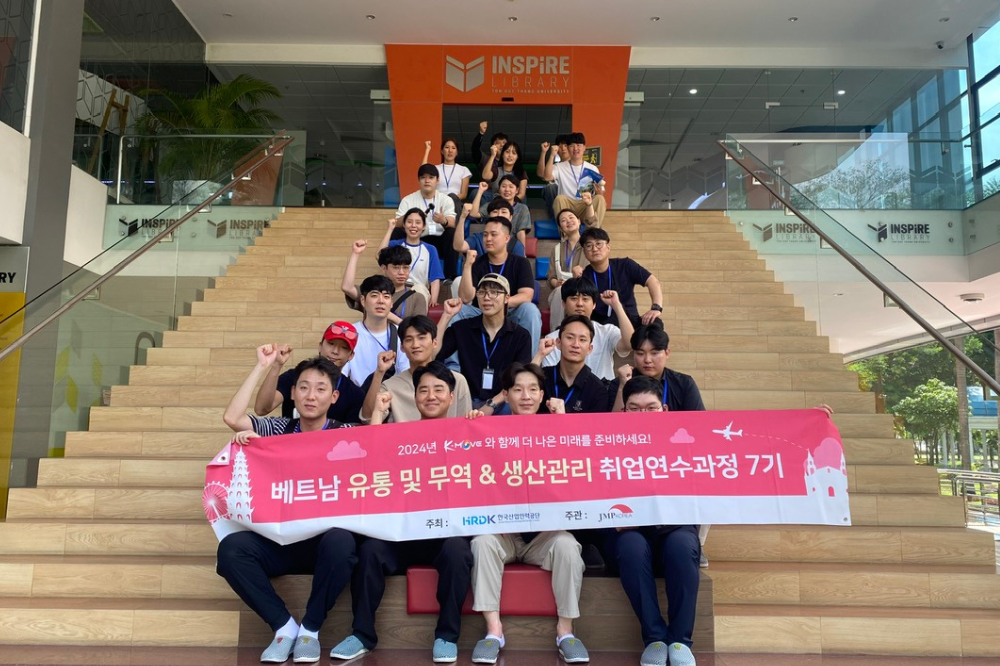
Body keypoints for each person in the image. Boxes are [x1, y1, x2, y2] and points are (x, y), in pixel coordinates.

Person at [220, 348, 357, 664]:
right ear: (292, 393)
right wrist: (264, 366)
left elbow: (381, 446)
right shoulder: (277, 429)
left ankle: (310, 629)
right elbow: (232, 417)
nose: (311, 395)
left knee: (342, 541)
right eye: (304, 387)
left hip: (322, 542)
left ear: (334, 397)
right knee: (231, 549)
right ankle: (283, 627)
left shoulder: (346, 434)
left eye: (321, 389)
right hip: (278, 538)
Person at [331, 362, 474, 664]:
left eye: (439, 390)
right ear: (415, 397)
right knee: (369, 550)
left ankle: (446, 636)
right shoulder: (400, 435)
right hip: (402, 534)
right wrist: (379, 415)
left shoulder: (466, 437)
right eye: (423, 390)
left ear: (451, 397)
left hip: (443, 534)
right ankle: (361, 635)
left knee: (458, 551)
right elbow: (367, 461)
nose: (431, 396)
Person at [464, 363, 590, 665]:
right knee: (481, 542)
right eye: (518, 389)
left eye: (533, 389)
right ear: (506, 395)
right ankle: (494, 631)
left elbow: (582, 468)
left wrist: (564, 423)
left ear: (543, 395)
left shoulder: (555, 431)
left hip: (542, 536)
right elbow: (464, 464)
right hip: (504, 534)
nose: (526, 395)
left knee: (568, 546)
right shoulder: (488, 432)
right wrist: (468, 426)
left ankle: (566, 632)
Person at [604, 373, 702, 666]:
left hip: (673, 530)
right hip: (630, 534)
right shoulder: (608, 448)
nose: (642, 415)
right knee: (631, 547)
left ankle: (681, 641)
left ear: (665, 410)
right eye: (634, 408)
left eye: (651, 408)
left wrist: (809, 424)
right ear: (623, 412)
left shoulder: (684, 444)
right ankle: (655, 638)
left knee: (683, 546)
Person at [436, 275, 531, 406]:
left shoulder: (520, 335)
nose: (486, 297)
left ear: (507, 298)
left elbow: (520, 379)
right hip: (468, 400)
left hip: (504, 402)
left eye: (494, 292)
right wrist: (446, 316)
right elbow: (433, 354)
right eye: (482, 292)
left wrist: (491, 405)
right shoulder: (462, 328)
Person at [359, 314, 473, 424]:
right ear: (402, 347)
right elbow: (367, 419)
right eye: (409, 339)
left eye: (421, 338)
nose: (416, 345)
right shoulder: (390, 386)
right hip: (405, 443)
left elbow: (466, 423)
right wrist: (379, 372)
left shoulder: (457, 380)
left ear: (434, 342)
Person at [252, 322, 367, 425]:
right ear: (320, 346)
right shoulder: (295, 376)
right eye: (331, 344)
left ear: (351, 356)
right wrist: (276, 365)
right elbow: (261, 409)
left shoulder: (355, 394)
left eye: (343, 348)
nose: (335, 351)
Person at [455, 217, 542, 352]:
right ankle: (453, 367)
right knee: (457, 311)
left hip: (510, 312)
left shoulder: (520, 263)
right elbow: (466, 298)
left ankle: (528, 366)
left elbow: (526, 296)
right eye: (485, 235)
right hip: (482, 311)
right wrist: (467, 266)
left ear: (507, 238)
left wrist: (499, 303)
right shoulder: (477, 263)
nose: (488, 238)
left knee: (530, 310)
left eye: (494, 234)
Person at [539, 278, 633, 382]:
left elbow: (630, 344)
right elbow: (550, 379)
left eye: (585, 299)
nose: (580, 304)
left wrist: (617, 306)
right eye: (574, 298)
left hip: (603, 394)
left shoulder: (607, 332)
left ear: (594, 304)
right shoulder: (552, 339)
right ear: (564, 303)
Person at [608, 320, 705, 414]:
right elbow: (611, 426)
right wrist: (622, 386)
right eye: (640, 353)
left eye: (654, 353)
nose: (647, 360)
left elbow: (698, 422)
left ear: (667, 353)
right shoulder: (619, 383)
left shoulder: (684, 384)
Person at [580, 227, 663, 330]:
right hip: (600, 327)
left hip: (630, 321)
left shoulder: (625, 265)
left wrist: (656, 308)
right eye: (589, 245)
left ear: (608, 247)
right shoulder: (583, 276)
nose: (594, 249)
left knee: (655, 323)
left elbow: (653, 282)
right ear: (584, 252)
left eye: (598, 244)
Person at [532, 315, 609, 414]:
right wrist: (539, 355)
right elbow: (523, 388)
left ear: (590, 349)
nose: (575, 344)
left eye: (582, 340)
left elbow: (595, 428)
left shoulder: (597, 390)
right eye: (570, 337)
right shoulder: (543, 377)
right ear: (558, 342)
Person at [341, 275, 410, 386]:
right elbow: (341, 374)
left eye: (386, 296)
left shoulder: (400, 334)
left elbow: (406, 372)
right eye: (374, 295)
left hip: (392, 396)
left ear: (391, 302)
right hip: (359, 397)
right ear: (363, 300)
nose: (381, 301)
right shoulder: (350, 333)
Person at [395, 163, 459, 277]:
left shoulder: (446, 200)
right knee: (396, 232)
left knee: (452, 233)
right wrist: (412, 216)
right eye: (423, 177)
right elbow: (397, 223)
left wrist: (443, 220)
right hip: (416, 239)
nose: (427, 181)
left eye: (431, 177)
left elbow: (453, 222)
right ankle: (395, 271)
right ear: (419, 180)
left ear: (437, 180)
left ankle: (450, 277)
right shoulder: (408, 200)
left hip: (439, 240)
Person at [342, 240, 429, 322]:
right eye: (396, 267)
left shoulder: (417, 297)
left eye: (405, 268)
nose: (402, 272)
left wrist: (395, 320)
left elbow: (418, 329)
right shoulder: (372, 291)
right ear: (384, 268)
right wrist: (355, 253)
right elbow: (347, 287)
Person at [379, 208, 443, 306]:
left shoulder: (430, 249)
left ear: (423, 226)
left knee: (419, 291)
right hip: (396, 288)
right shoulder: (395, 245)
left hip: (419, 290)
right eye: (409, 222)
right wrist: (390, 229)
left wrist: (433, 299)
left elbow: (435, 278)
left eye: (418, 222)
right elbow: (380, 255)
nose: (413, 225)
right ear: (404, 225)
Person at [544, 132, 607, 227]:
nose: (576, 148)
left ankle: (593, 233)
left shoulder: (592, 168)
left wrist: (599, 193)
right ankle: (565, 236)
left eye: (578, 145)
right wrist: (552, 155)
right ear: (568, 148)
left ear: (584, 148)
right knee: (559, 199)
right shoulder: (559, 166)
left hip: (585, 205)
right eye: (572, 145)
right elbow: (547, 177)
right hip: (568, 205)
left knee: (600, 199)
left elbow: (600, 191)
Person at [546, 207, 590, 326]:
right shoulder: (556, 249)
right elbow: (551, 277)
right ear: (561, 228)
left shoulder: (589, 245)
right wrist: (556, 283)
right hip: (562, 291)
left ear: (579, 221)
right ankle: (556, 332)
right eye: (563, 220)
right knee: (560, 291)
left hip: (585, 289)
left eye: (571, 217)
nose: (568, 221)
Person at [468, 176, 532, 248]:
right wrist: (480, 191)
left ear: (517, 190)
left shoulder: (522, 208)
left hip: (511, 245)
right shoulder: (492, 205)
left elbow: (521, 233)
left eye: (511, 187)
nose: (507, 189)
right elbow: (473, 214)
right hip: (492, 243)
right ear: (499, 189)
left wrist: (522, 252)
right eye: (503, 186)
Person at [422, 137, 471, 214]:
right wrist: (427, 149)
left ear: (457, 152)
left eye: (453, 148)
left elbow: (463, 194)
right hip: (438, 201)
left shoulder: (464, 170)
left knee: (452, 196)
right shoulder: (436, 168)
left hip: (455, 202)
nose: (450, 151)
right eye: (447, 147)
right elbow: (423, 171)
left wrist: (448, 200)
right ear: (442, 151)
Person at [537, 136, 567, 219]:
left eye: (566, 145)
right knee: (550, 187)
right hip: (557, 199)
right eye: (560, 146)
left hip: (571, 200)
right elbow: (541, 174)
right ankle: (555, 219)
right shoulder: (555, 166)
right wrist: (544, 152)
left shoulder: (577, 166)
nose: (563, 148)